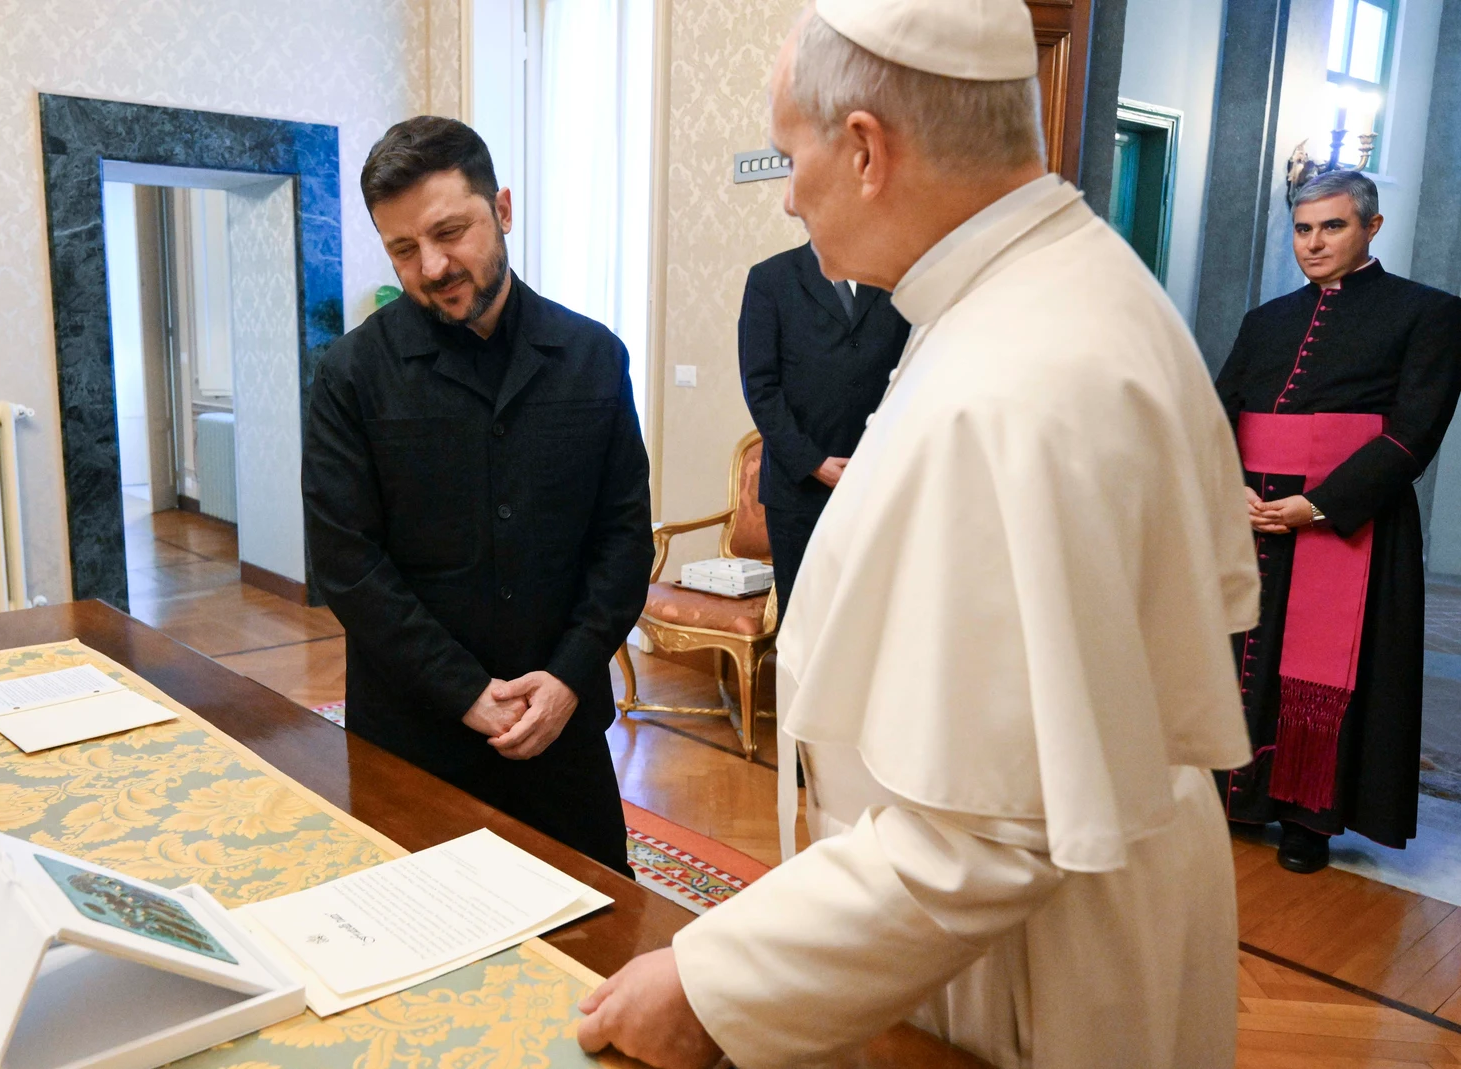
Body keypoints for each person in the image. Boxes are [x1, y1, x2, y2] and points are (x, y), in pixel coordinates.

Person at [576, 1, 1258, 1066]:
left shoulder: (1016, 376)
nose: (788, 189)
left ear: (862, 150)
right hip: (1048, 913)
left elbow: (984, 832)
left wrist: (711, 983)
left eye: (787, 151)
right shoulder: (1055, 291)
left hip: (1027, 967)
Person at [302, 116, 653, 875]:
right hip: (413, 733)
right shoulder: (350, 376)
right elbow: (347, 564)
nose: (431, 265)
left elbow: (624, 539)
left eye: (449, 231)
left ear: (502, 208)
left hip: (563, 735)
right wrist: (466, 692)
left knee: (594, 944)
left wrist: (565, 677)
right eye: (403, 249)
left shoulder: (593, 358)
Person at [1215, 169, 1461, 875]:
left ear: (1371, 228)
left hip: (1349, 523)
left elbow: (1414, 432)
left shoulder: (1428, 313)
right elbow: (1215, 414)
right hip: (1254, 514)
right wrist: (1230, 487)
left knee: (1326, 670)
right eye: (1302, 229)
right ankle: (1238, 795)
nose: (1314, 243)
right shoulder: (1266, 320)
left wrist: (1318, 503)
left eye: (1332, 227)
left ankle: (1305, 817)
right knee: (1239, 658)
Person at [739, 243, 910, 613]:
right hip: (797, 489)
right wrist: (814, 462)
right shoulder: (770, 278)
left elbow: (911, 373)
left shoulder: (893, 273)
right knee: (804, 618)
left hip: (878, 482)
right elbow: (760, 387)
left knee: (871, 617)